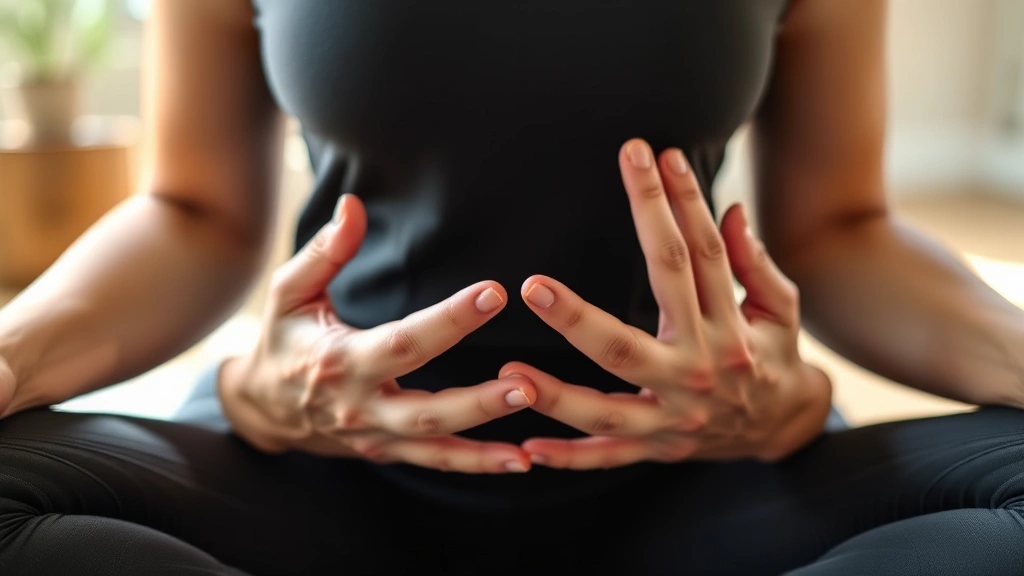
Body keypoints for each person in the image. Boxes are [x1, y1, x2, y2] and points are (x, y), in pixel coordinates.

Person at [1, 0, 1022, 574]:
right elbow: (193, 211)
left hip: (697, 480)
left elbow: (840, 228)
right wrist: (17, 350)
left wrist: (783, 392)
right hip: (331, 469)